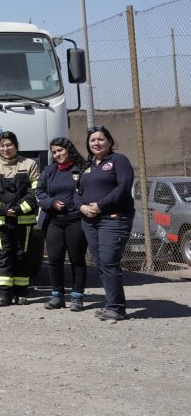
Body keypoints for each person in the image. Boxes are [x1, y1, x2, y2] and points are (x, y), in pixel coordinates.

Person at [75, 126, 135, 322]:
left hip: (114, 218)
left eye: (101, 139)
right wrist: (82, 207)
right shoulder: (88, 165)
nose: (96, 143)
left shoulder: (119, 160)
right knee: (101, 263)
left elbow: (124, 187)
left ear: (109, 142)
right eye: (92, 140)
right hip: (89, 220)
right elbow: (76, 192)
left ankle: (116, 308)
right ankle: (112, 305)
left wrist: (101, 205)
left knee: (109, 261)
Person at [0, 131, 40, 306]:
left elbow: (35, 192)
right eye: (2, 145)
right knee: (3, 256)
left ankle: (21, 293)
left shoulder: (30, 164)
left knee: (22, 255)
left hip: (23, 220)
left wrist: (19, 209)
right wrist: (4, 210)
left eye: (9, 145)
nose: (5, 149)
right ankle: (4, 295)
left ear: (16, 146)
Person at [36, 137, 89, 311]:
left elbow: (89, 191)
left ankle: (77, 297)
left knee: (77, 260)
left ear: (69, 150)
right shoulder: (49, 171)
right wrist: (51, 203)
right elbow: (40, 192)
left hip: (76, 221)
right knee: (55, 260)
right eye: (54, 152)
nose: (58, 154)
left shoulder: (82, 169)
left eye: (60, 150)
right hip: (54, 222)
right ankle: (57, 296)